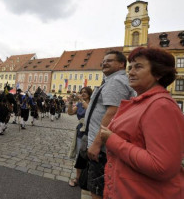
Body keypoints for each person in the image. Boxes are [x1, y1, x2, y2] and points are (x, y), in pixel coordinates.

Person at [99, 47, 184, 199]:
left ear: (158, 73)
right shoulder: (145, 101)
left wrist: (112, 140)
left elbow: (162, 166)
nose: (130, 72)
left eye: (138, 67)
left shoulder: (161, 106)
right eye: (130, 67)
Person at [86, 50, 135, 198]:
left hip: (102, 148)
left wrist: (96, 144)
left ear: (121, 64)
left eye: (110, 60)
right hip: (101, 144)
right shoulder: (112, 80)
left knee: (98, 190)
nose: (104, 63)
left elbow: (112, 113)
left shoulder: (116, 81)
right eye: (104, 61)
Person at [67, 87, 92, 187]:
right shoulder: (79, 104)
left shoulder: (92, 102)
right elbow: (70, 112)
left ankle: (88, 178)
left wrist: (81, 99)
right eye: (81, 92)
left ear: (90, 93)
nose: (83, 94)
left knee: (90, 156)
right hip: (80, 131)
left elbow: (89, 110)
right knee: (79, 156)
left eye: (85, 92)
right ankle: (78, 177)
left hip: (90, 131)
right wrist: (70, 101)